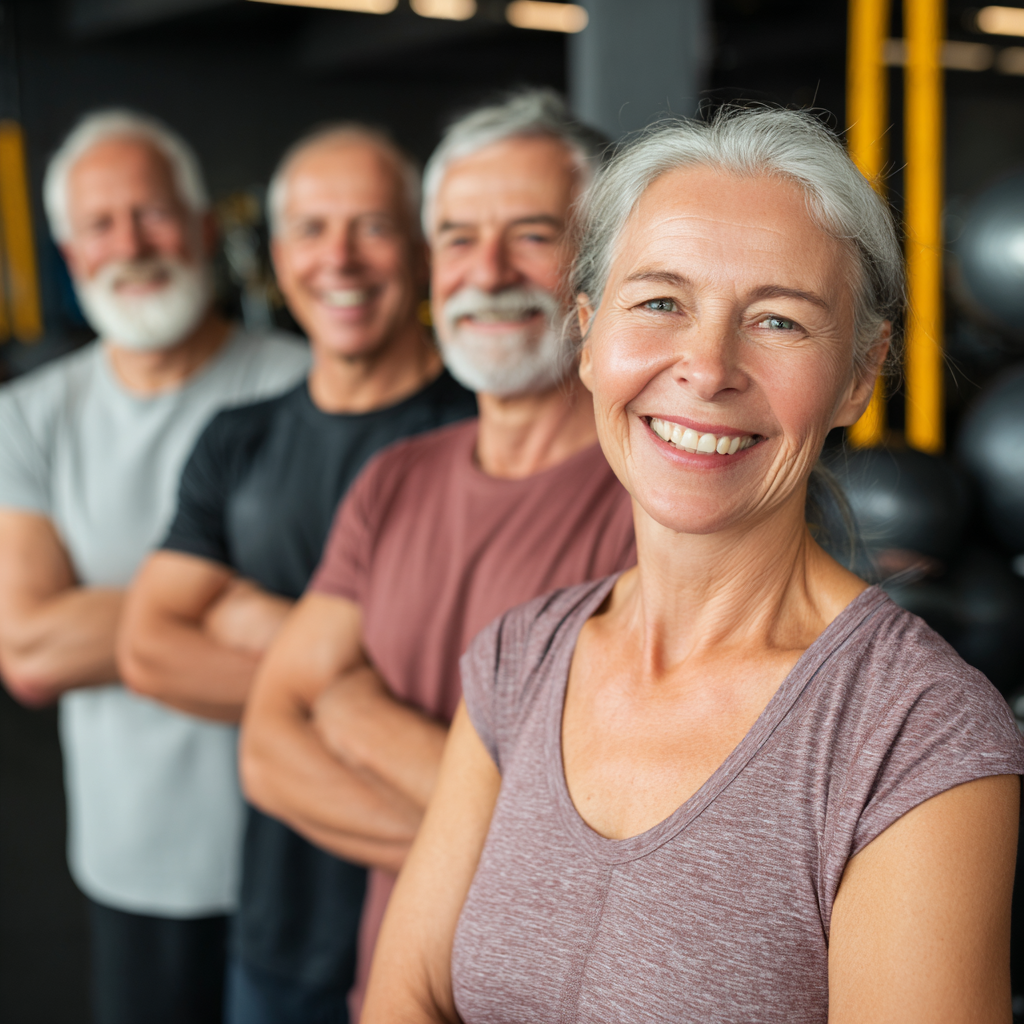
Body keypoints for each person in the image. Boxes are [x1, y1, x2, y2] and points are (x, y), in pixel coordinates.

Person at [362, 108, 1024, 1024]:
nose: (708, 368)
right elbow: (408, 995)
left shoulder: (914, 735)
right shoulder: (521, 657)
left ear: (860, 375)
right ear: (589, 338)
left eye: (779, 320)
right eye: (661, 302)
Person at [240, 90, 635, 1021]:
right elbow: (266, 745)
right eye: (457, 238)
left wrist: (349, 709)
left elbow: (597, 846)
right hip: (387, 990)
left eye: (532, 235)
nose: (486, 272)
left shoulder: (653, 508)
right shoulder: (395, 478)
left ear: (603, 266)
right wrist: (485, 838)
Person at [117, 124, 474, 1024]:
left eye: (372, 227)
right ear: (278, 257)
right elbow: (151, 647)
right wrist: (346, 687)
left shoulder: (486, 443)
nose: (339, 259)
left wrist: (249, 622)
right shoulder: (236, 440)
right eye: (312, 230)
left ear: (423, 250)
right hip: (278, 928)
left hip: (452, 933)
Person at [0, 110, 309, 1024]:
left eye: (153, 214)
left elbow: (360, 635)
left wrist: (107, 617)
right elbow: (30, 650)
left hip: (307, 842)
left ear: (206, 226)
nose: (130, 244)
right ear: (68, 249)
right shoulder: (28, 415)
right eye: (100, 224)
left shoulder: (307, 387)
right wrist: (241, 602)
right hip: (132, 858)